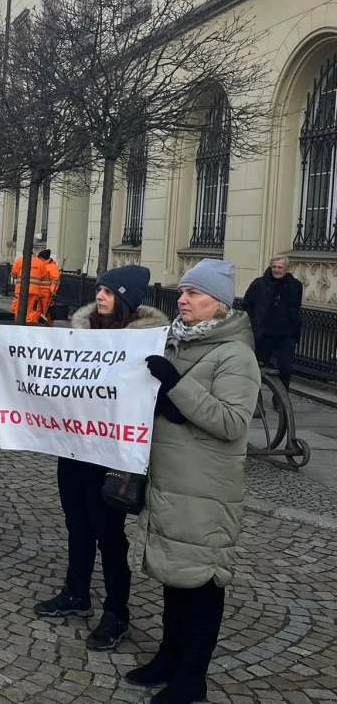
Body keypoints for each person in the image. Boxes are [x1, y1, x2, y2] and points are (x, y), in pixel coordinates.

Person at [126, 260, 259, 703]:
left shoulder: (235, 354)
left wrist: (176, 385)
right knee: (172, 573)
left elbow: (232, 421)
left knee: (201, 582)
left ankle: (192, 678)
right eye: (181, 293)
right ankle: (169, 657)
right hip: (171, 480)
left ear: (219, 304)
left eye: (193, 294)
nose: (181, 300)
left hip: (206, 488)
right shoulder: (180, 344)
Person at [17, 266, 168, 650]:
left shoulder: (145, 341)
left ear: (126, 298)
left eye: (108, 291)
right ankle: (76, 592)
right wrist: (1, 358)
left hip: (113, 455)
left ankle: (117, 613)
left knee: (109, 535)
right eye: (99, 289)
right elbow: (49, 374)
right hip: (74, 450)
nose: (99, 296)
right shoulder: (80, 334)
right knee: (76, 524)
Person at [243, 256, 303, 389]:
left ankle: (280, 402)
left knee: (286, 369)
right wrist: (254, 323)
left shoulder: (296, 285)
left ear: (287, 269)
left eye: (280, 267)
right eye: (274, 267)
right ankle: (252, 397)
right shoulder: (259, 284)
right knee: (257, 369)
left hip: (286, 334)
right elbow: (247, 305)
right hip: (263, 334)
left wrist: (295, 326)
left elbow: (296, 307)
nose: (276, 270)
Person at [11, 248, 60, 325]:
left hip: (21, 290)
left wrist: (52, 290)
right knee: (33, 309)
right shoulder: (40, 263)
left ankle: (19, 322)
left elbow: (13, 274)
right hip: (35, 291)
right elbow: (43, 277)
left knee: (19, 307)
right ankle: (30, 323)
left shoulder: (19, 261)